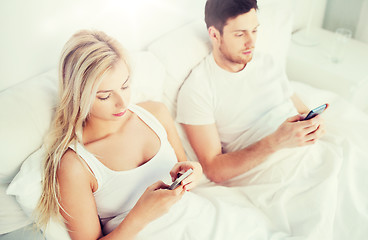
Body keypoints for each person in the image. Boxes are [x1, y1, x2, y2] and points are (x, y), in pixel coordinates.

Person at [35, 29, 288, 240]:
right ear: (78, 95)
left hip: (204, 222)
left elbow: (190, 169)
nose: (122, 102)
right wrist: (141, 214)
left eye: (125, 85)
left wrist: (194, 173)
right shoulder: (75, 165)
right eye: (104, 95)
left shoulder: (154, 113)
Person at [177, 0, 368, 239]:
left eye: (255, 30)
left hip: (314, 153)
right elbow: (213, 169)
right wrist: (276, 142)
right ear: (214, 34)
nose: (251, 42)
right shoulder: (198, 90)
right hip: (276, 174)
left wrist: (312, 123)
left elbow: (297, 105)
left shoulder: (266, 62)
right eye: (240, 34)